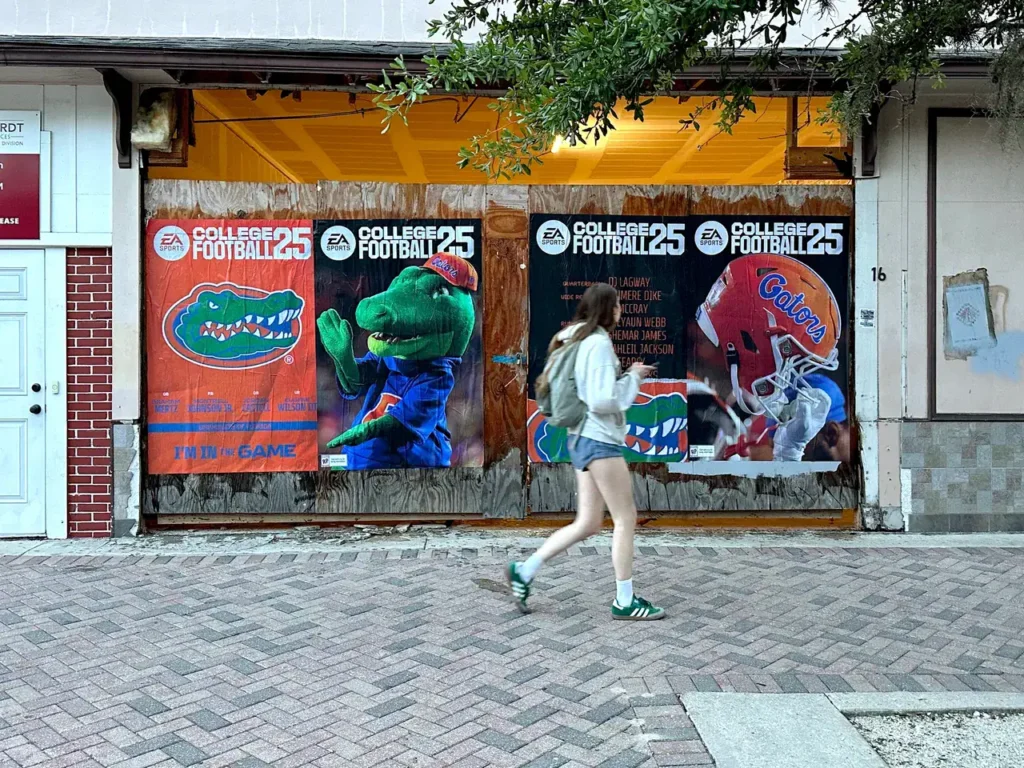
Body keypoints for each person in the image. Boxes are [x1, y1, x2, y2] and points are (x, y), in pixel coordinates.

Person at [507, 283, 665, 620]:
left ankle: (525, 570)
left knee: (589, 522)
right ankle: (625, 600)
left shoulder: (572, 339)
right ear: (608, 309)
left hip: (580, 438)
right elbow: (602, 400)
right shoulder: (597, 343)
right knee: (625, 518)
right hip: (599, 440)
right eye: (618, 305)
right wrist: (633, 378)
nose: (621, 310)